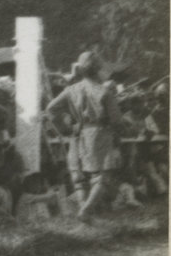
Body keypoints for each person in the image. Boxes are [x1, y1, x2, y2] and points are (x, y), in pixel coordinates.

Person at [45, 51, 123, 221]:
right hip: (99, 133)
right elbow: (116, 120)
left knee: (79, 177)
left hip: (78, 133)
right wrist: (117, 137)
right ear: (98, 69)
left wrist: (65, 128)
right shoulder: (104, 92)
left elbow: (50, 109)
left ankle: (84, 213)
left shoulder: (71, 89)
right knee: (100, 176)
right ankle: (86, 210)